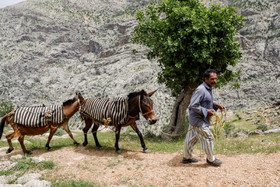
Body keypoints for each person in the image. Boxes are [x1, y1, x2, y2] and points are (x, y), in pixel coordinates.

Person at [182, 69, 225, 166]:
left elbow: (206, 101)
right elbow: (193, 105)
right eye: (212, 79)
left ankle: (187, 157)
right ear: (205, 79)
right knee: (209, 137)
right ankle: (211, 159)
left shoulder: (208, 88)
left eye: (215, 79)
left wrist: (217, 105)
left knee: (191, 138)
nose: (214, 81)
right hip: (198, 120)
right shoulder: (201, 90)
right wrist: (206, 111)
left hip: (195, 120)